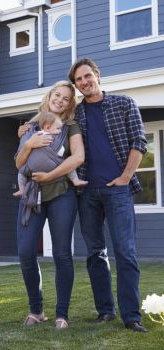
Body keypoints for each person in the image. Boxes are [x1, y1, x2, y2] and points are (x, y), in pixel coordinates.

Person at [68, 58, 148, 333]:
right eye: (79, 79)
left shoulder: (124, 103)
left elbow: (139, 140)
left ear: (97, 75)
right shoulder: (74, 114)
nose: (84, 82)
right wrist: (24, 129)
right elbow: (47, 123)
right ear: (76, 85)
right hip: (87, 192)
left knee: (125, 252)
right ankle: (105, 311)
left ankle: (131, 316)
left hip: (119, 190)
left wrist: (125, 177)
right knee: (95, 253)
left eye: (87, 76)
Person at [15, 80, 85, 329]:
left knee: (62, 253)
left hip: (60, 194)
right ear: (50, 95)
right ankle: (36, 310)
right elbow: (19, 163)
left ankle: (61, 314)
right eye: (57, 95)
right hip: (32, 195)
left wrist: (50, 176)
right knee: (25, 252)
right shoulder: (30, 127)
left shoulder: (70, 127)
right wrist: (31, 144)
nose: (60, 100)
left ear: (70, 104)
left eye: (66, 98)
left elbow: (78, 157)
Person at [13, 111, 87, 199]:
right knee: (68, 166)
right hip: (52, 164)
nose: (60, 131)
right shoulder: (53, 138)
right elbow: (60, 151)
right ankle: (75, 180)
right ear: (47, 127)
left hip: (33, 168)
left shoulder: (34, 134)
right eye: (58, 128)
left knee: (21, 172)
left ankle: (22, 189)